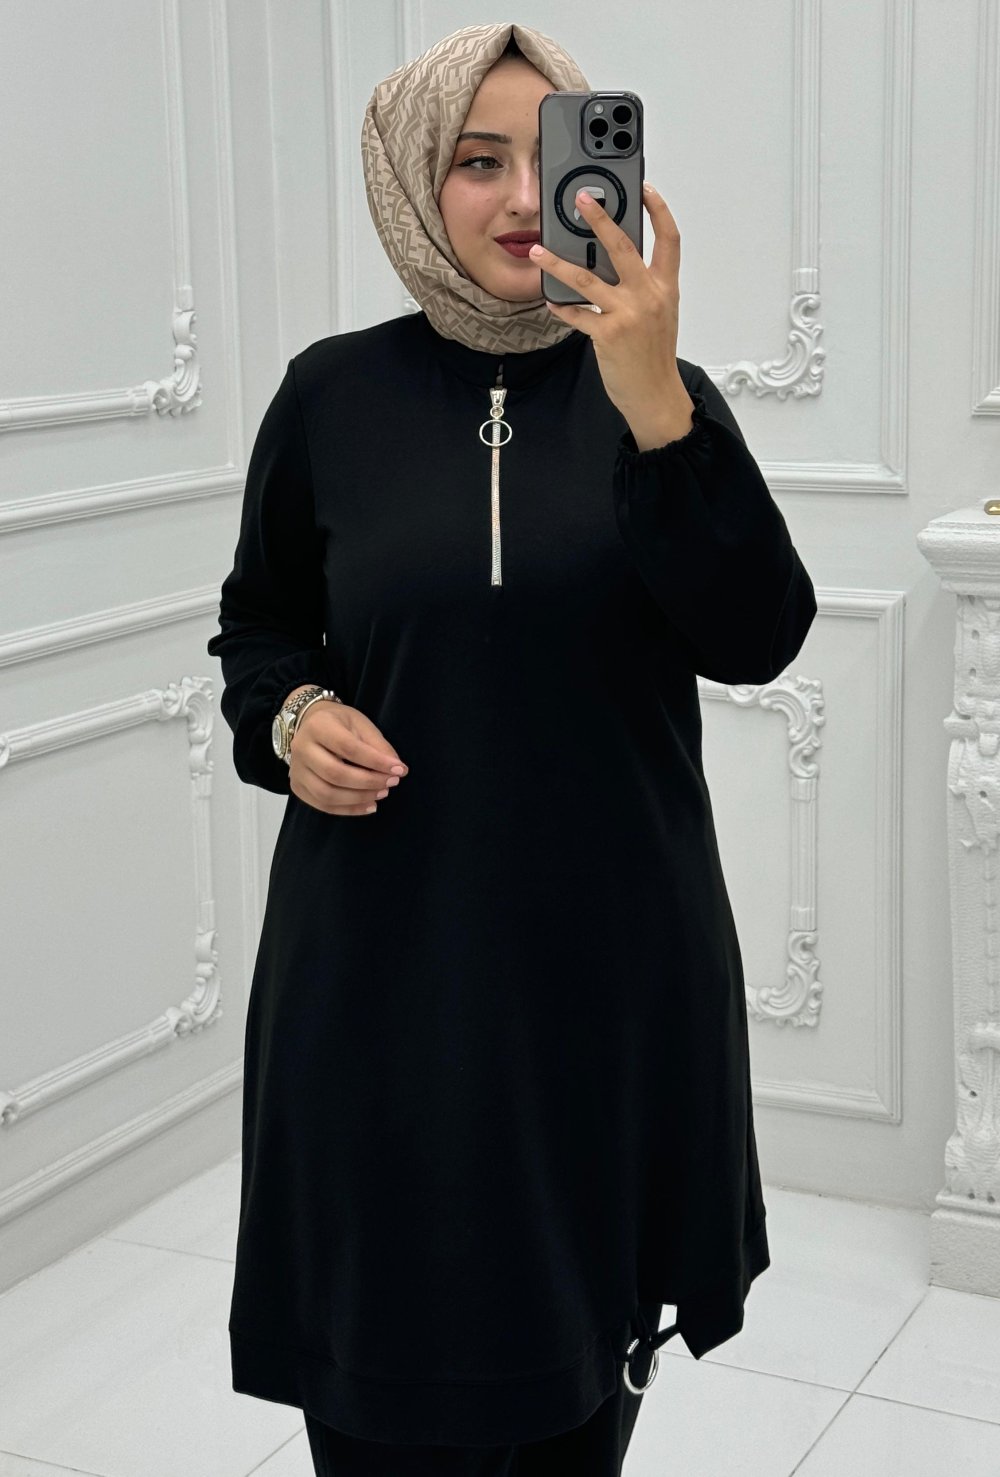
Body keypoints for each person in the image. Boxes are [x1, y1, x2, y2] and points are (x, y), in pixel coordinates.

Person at [206, 20, 818, 1475]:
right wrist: (291, 719)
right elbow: (258, 631)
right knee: (373, 1371)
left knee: (574, 1386)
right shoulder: (329, 397)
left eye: (545, 155)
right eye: (475, 160)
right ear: (417, 180)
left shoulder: (660, 392)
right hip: (379, 978)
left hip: (604, 983)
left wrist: (656, 400)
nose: (518, 197)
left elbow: (760, 633)